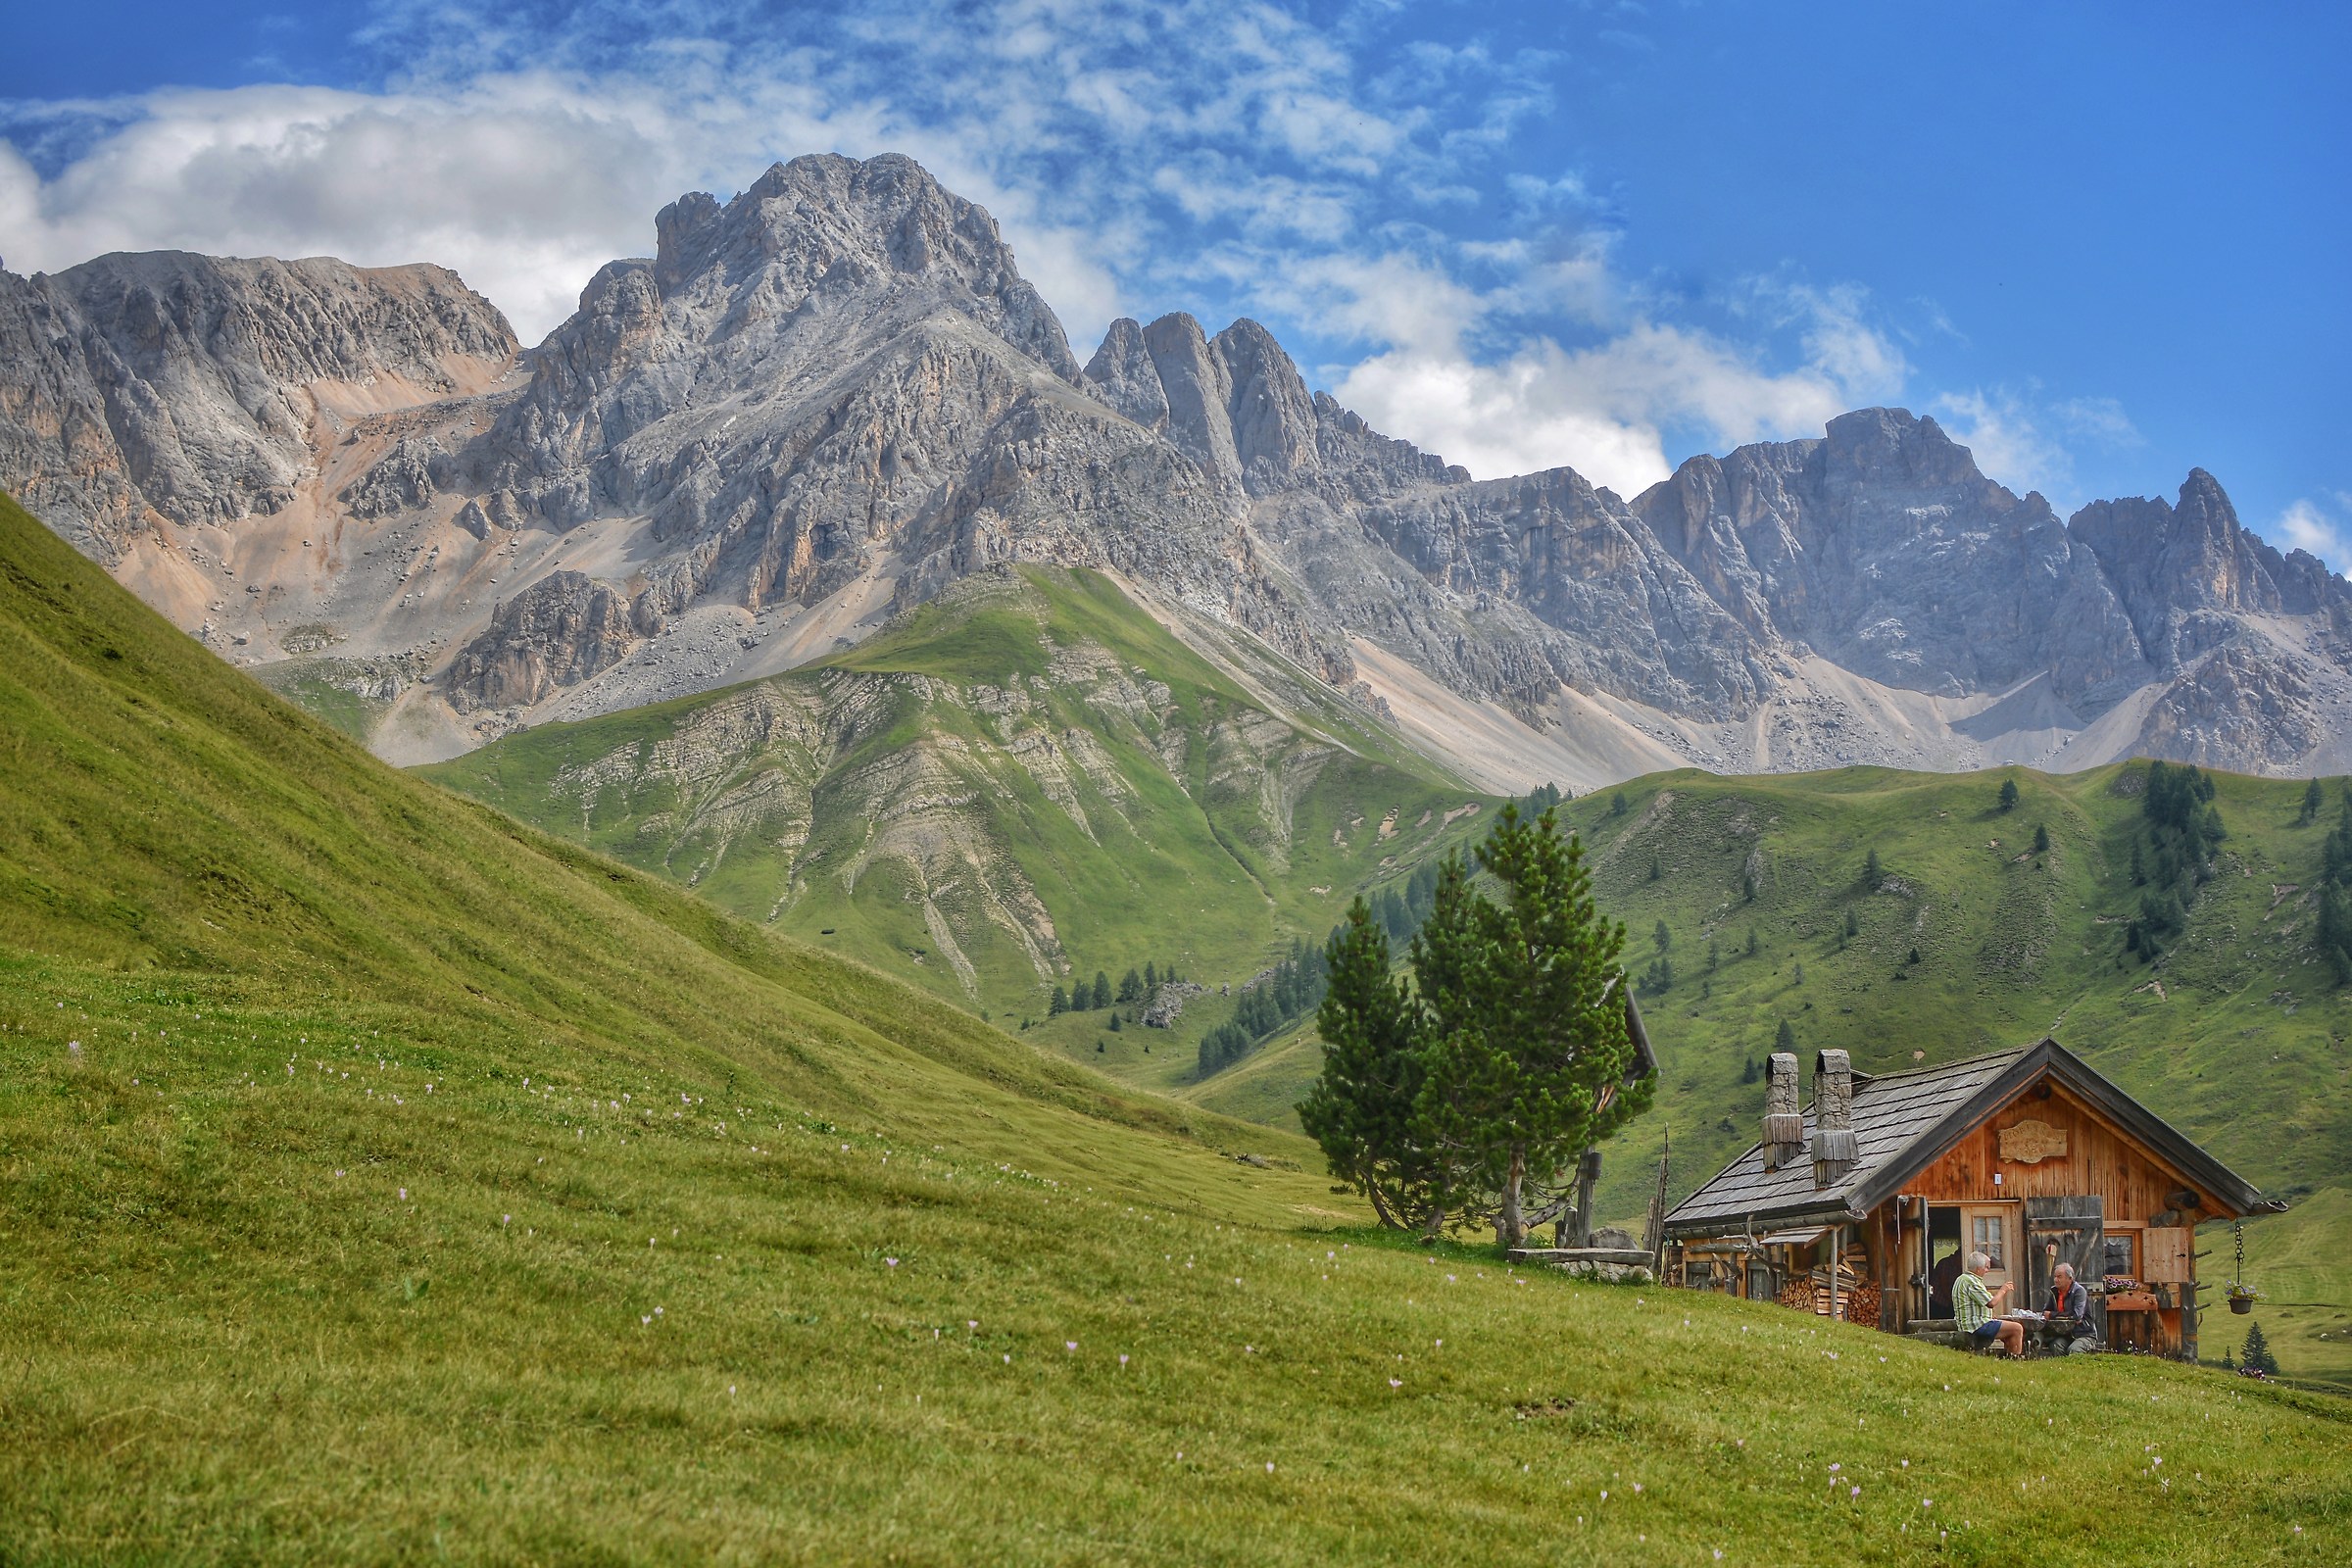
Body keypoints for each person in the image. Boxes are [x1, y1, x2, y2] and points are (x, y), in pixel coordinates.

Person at [1953, 1250, 2024, 1357]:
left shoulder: (1962, 1279)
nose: (1987, 1270)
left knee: (2008, 1329)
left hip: (1970, 1323)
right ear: (1978, 1269)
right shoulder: (1971, 1282)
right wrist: (2003, 1290)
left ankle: (2008, 1359)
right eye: (1986, 1267)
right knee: (2017, 1328)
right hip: (1976, 1326)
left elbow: (1977, 1304)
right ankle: (2015, 1360)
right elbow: (1991, 1303)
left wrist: (1989, 1316)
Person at [2048, 1261, 2095, 1354]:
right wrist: (2056, 1315)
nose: (2056, 1280)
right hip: (2066, 1334)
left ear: (2070, 1279)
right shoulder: (2054, 1292)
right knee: (2055, 1346)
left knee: (2074, 1350)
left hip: (2084, 1334)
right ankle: (2061, 1368)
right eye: (2055, 1276)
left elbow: (2076, 1315)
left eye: (2059, 1277)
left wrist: (2053, 1315)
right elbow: (2045, 1312)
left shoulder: (2079, 1292)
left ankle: (2077, 1368)